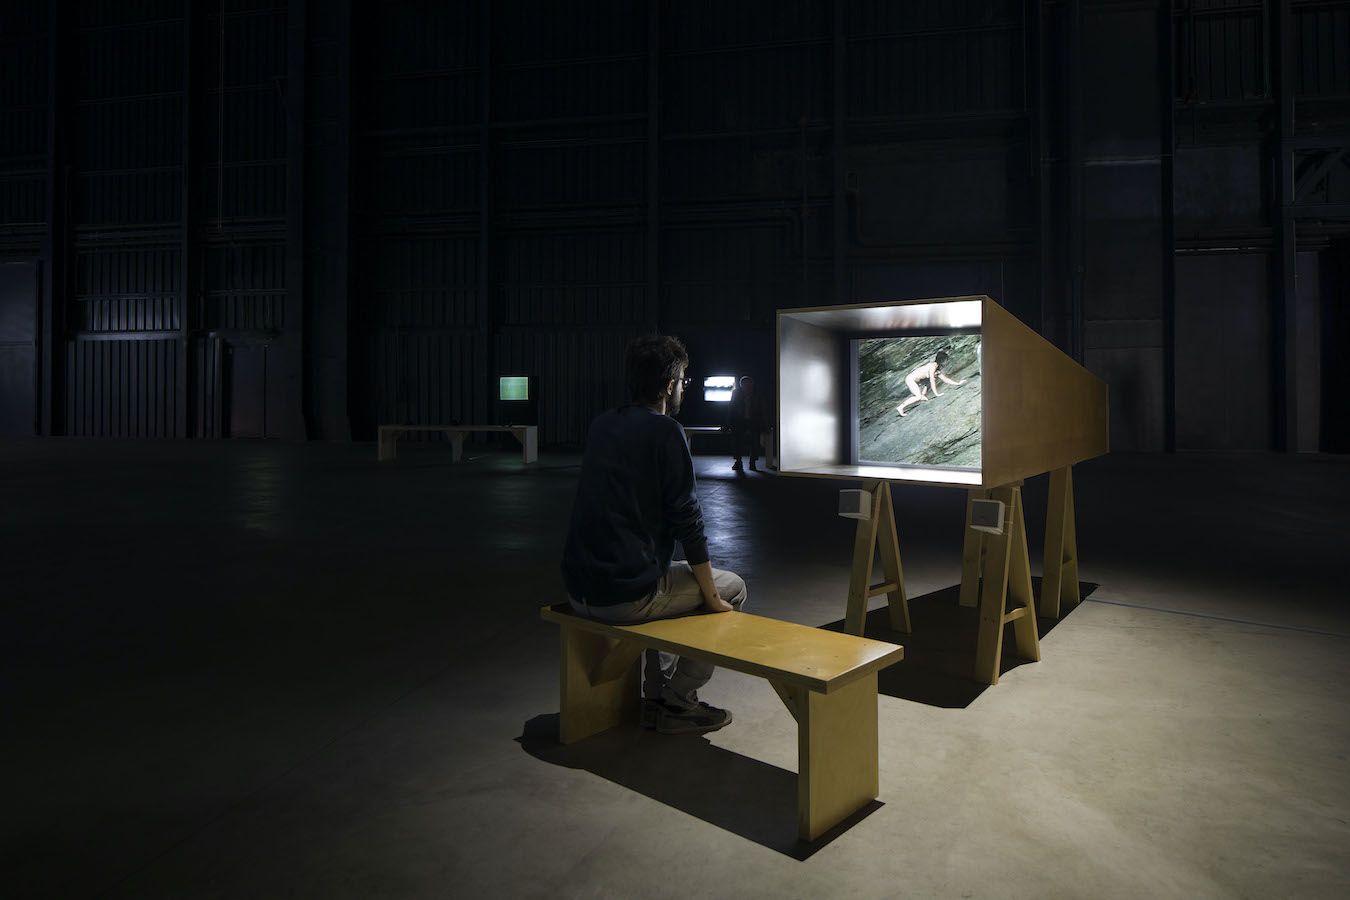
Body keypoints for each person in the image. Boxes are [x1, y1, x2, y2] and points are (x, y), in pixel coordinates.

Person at [561, 334, 748, 735]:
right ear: (669, 385)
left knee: (670, 577)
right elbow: (689, 521)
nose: (683, 387)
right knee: (731, 587)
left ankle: (656, 699)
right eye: (682, 380)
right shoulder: (667, 431)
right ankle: (678, 703)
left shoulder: (602, 424)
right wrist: (712, 597)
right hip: (622, 597)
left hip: (579, 590)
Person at [895, 350, 966, 417]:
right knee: (918, 396)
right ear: (942, 360)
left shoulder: (937, 370)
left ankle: (922, 395)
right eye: (946, 360)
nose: (946, 362)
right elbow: (932, 381)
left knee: (928, 383)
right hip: (910, 379)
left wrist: (958, 383)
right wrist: (936, 394)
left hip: (915, 380)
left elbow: (945, 379)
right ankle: (901, 407)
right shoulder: (932, 366)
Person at [725, 375, 767, 472]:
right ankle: (738, 462)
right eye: (745, 385)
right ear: (741, 386)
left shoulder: (758, 393)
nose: (747, 387)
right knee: (736, 439)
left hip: (754, 421)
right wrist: (727, 423)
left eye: (749, 385)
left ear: (752, 385)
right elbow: (731, 408)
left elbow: (763, 410)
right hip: (739, 421)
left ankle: (752, 462)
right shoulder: (736, 393)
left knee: (755, 440)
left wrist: (766, 425)